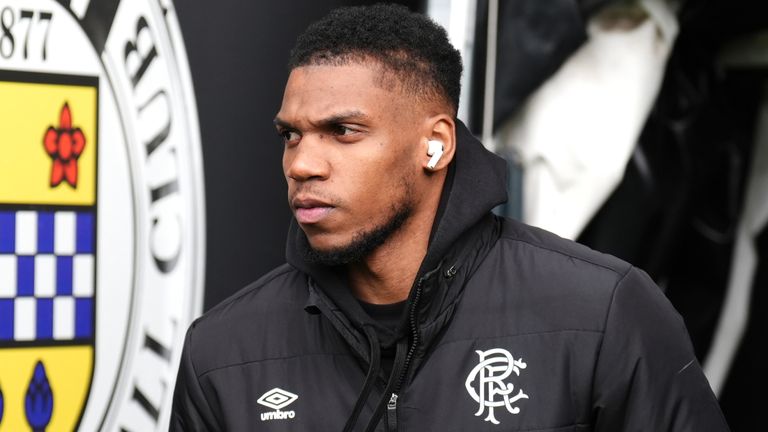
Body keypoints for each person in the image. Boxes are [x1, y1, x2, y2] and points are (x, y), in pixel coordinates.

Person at [170, 4, 730, 431]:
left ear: (434, 145)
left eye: (343, 131)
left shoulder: (603, 315)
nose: (302, 164)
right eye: (291, 135)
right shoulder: (223, 352)